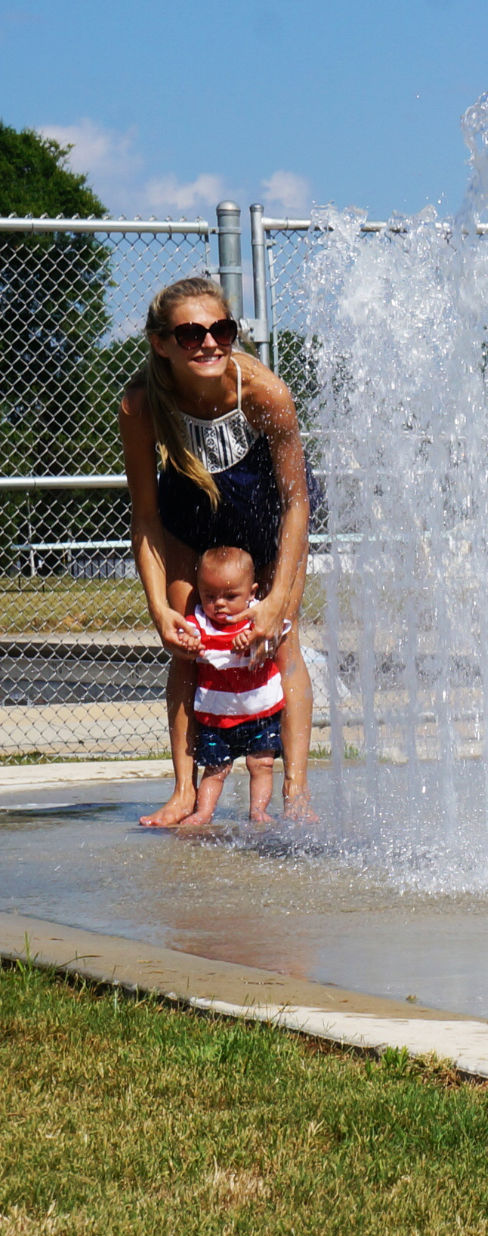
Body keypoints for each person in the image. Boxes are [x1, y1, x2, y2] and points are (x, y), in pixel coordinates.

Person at [118, 276, 320, 826]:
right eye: (190, 334)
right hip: (192, 512)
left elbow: (297, 502)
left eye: (221, 330)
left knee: (283, 641)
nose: (209, 343)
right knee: (187, 643)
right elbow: (146, 516)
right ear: (161, 343)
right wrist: (158, 610)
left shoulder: (263, 393)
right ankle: (184, 791)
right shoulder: (142, 404)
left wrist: (275, 601)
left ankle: (295, 792)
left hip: (267, 511)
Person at [182, 546, 287, 825]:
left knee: (262, 764)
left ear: (251, 593)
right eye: (210, 596)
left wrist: (255, 640)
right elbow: (185, 636)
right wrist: (188, 642)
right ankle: (204, 812)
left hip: (260, 712)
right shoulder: (199, 622)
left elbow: (276, 636)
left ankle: (258, 811)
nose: (219, 604)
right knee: (215, 769)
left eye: (230, 596)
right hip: (217, 716)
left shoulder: (258, 617)